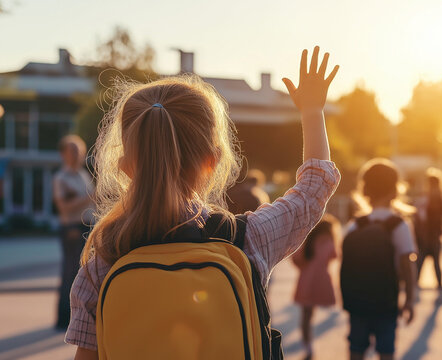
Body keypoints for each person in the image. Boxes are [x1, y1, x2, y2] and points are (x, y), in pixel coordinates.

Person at [65, 47, 341, 360]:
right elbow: (314, 188)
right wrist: (312, 110)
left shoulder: (104, 257)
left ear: (125, 165)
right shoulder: (245, 240)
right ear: (212, 161)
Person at [340, 158, 417, 360]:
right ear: (396, 189)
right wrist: (409, 299)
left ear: (364, 190)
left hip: (358, 302)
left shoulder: (355, 225)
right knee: (386, 350)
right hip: (386, 301)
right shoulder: (399, 225)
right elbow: (406, 265)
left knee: (356, 349)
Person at [53, 135, 95, 330]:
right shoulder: (61, 178)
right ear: (63, 154)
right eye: (72, 150)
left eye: (79, 150)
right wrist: (89, 197)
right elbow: (64, 208)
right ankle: (62, 320)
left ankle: (77, 318)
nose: (77, 154)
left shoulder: (84, 175)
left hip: (86, 226)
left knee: (83, 274)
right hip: (71, 228)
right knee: (70, 273)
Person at [292, 214, 339, 360]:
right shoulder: (329, 240)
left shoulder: (307, 240)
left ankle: (308, 346)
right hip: (322, 280)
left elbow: (295, 258)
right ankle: (309, 345)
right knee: (312, 312)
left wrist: (304, 268)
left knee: (306, 316)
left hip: (306, 280)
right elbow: (334, 255)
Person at [414, 167, 442, 291]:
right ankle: (439, 285)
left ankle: (414, 283)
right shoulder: (439, 197)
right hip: (434, 234)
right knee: (435, 262)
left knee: (421, 260)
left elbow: (426, 217)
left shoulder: (430, 198)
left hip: (427, 234)